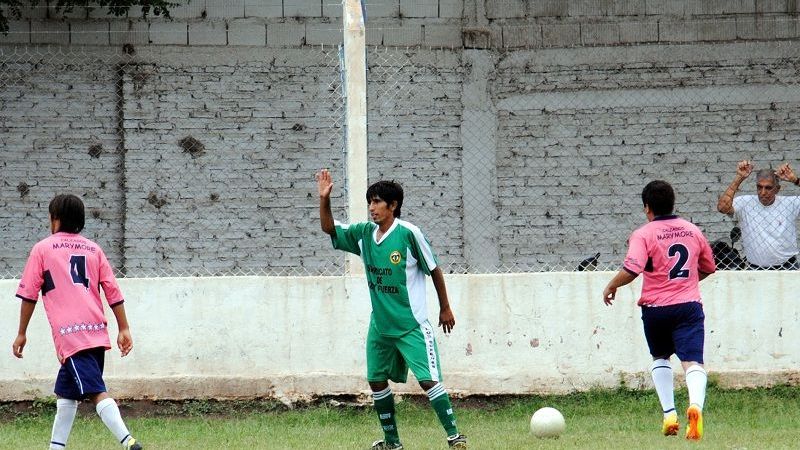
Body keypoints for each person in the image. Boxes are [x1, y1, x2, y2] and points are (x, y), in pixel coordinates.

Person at [316, 169, 466, 450]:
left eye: (376, 202)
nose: (371, 208)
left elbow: (434, 270)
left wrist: (445, 308)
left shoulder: (409, 234)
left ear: (392, 205)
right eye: (369, 202)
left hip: (411, 324)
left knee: (428, 380)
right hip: (381, 326)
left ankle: (455, 437)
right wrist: (324, 199)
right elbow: (330, 229)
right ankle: (392, 443)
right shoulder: (363, 234)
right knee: (375, 380)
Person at [12, 194, 142, 450]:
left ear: (55, 219)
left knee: (95, 391)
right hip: (96, 331)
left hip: (71, 335)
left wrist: (21, 333)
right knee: (66, 394)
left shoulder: (42, 249)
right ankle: (56, 447)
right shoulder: (94, 249)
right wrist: (123, 327)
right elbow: (112, 290)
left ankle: (128, 442)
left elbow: (29, 294)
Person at [603, 180, 716, 441]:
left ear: (647, 207)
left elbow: (633, 268)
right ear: (672, 203)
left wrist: (611, 285)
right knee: (693, 362)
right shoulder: (691, 230)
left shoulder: (643, 234)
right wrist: (686, 282)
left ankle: (669, 415)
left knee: (661, 358)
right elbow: (709, 266)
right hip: (688, 306)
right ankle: (695, 409)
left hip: (655, 309)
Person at [717, 160, 800, 269]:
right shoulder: (745, 202)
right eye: (759, 187)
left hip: (788, 266)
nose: (763, 192)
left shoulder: (790, 203)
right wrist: (739, 178)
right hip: (755, 267)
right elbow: (722, 208)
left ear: (777, 189)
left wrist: (795, 180)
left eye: (768, 188)